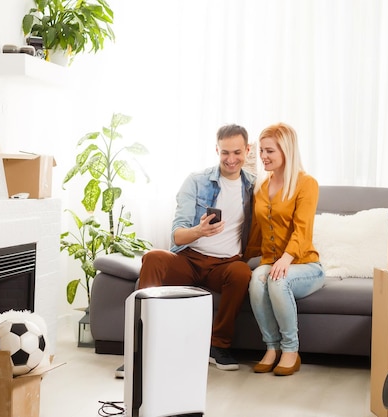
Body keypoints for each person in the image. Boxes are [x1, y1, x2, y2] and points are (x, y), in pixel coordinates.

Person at [115, 124, 256, 377]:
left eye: (237, 152)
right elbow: (177, 234)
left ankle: (219, 346)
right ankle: (141, 349)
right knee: (154, 257)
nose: (231, 159)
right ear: (216, 150)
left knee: (242, 272)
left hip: (225, 265)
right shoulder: (197, 181)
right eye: (225, 153)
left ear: (247, 150)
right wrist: (199, 231)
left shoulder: (255, 188)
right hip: (189, 259)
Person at [244, 122, 325, 376]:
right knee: (258, 279)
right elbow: (256, 231)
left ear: (286, 152)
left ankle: (291, 350)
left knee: (277, 280)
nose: (263, 157)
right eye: (262, 151)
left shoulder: (306, 183)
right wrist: (244, 260)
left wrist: (286, 259)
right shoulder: (261, 186)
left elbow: (303, 229)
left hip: (305, 265)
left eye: (270, 151)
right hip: (271, 260)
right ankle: (271, 347)